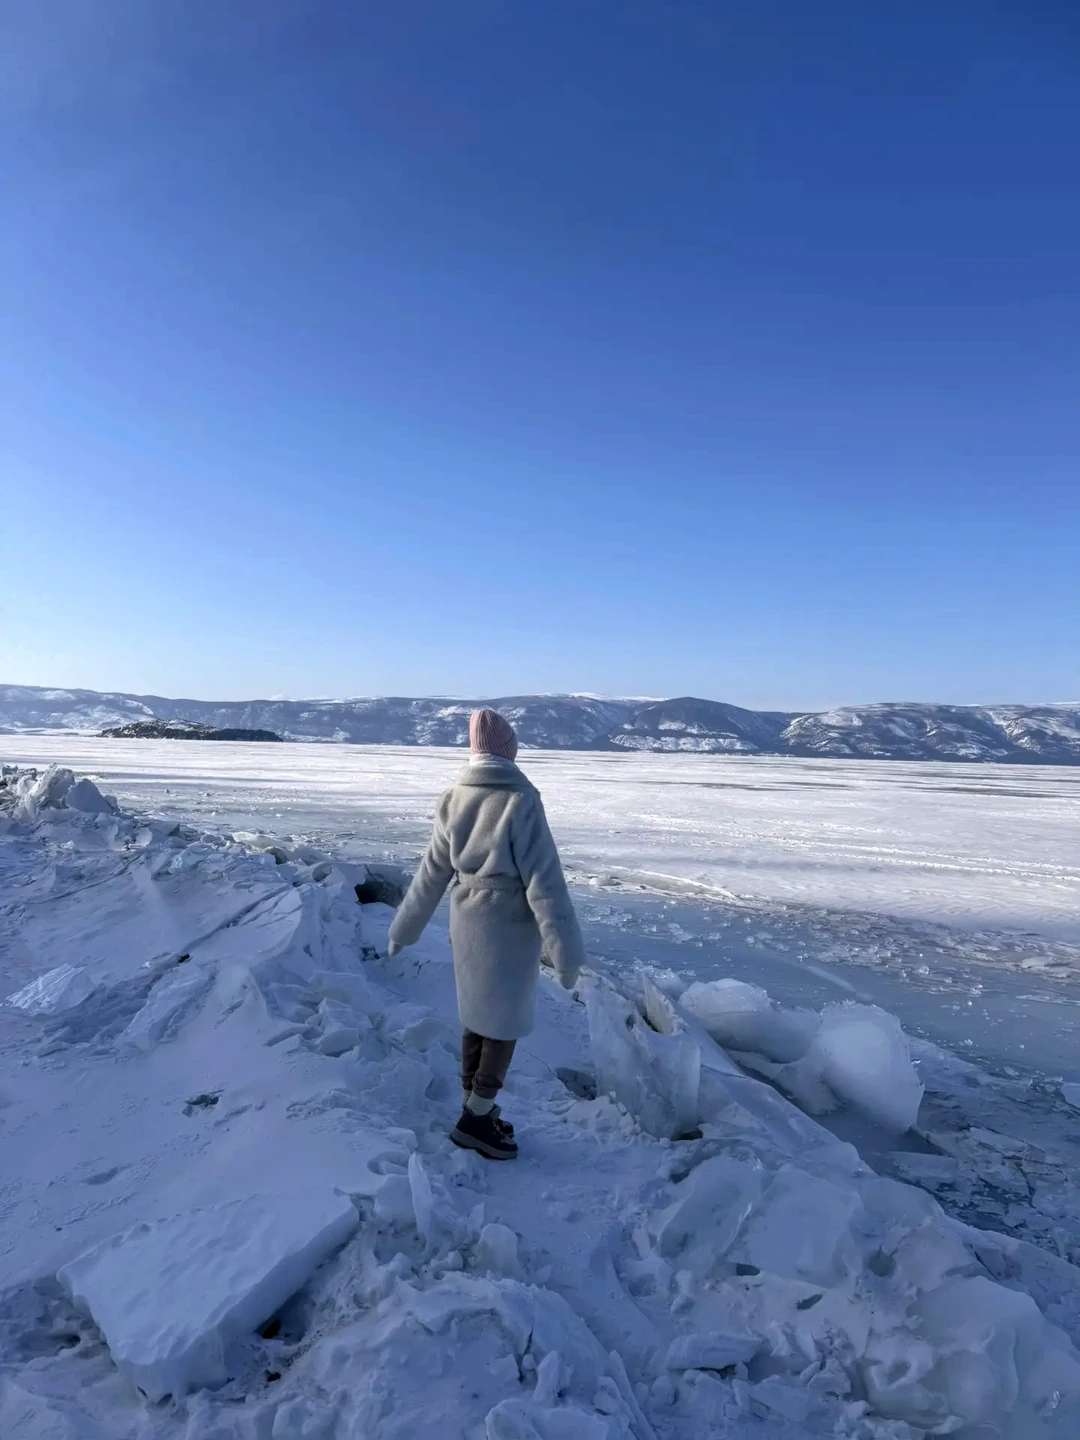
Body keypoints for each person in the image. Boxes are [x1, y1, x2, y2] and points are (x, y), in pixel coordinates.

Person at [387, 708, 585, 1160]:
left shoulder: (453, 798)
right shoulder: (521, 801)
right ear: (508, 752)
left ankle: (473, 1105)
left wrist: (404, 929)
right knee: (503, 1025)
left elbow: (431, 873)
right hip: (509, 928)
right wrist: (566, 954)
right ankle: (477, 1118)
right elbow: (545, 882)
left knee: (477, 1017)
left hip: (467, 920)